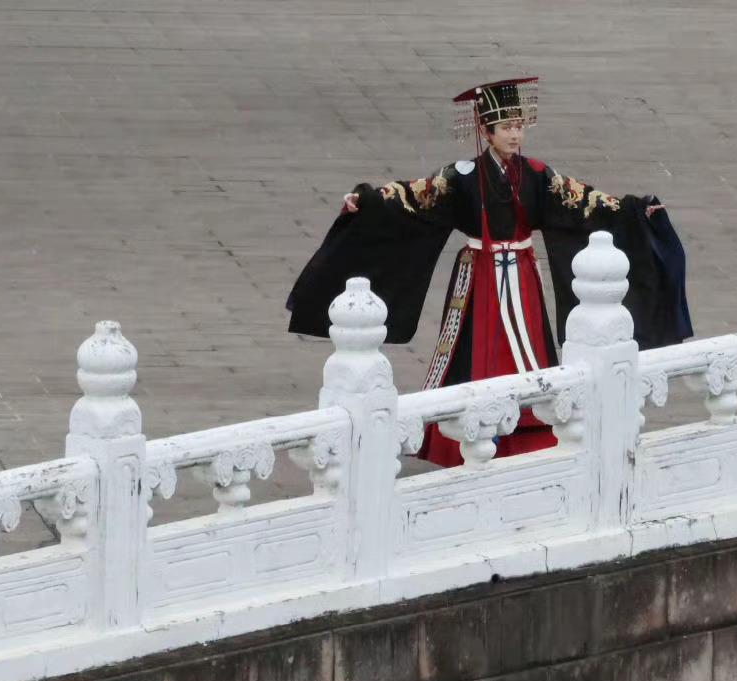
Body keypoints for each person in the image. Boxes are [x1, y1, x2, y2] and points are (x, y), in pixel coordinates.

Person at [287, 77, 691, 466]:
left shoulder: (535, 174)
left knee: (527, 346)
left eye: (519, 126)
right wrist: (368, 199)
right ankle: (463, 427)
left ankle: (533, 421)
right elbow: (413, 196)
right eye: (506, 127)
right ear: (486, 130)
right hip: (478, 272)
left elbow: (582, 200)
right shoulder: (461, 177)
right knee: (474, 345)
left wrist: (637, 208)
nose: (515, 135)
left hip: (521, 272)